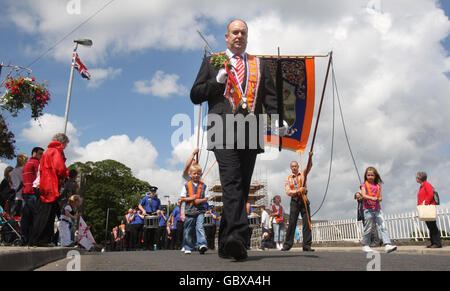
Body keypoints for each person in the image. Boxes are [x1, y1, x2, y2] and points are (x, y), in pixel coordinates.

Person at [190, 19, 286, 260]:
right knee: (231, 181)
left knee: (241, 188)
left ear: (247, 36)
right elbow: (195, 95)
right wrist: (216, 82)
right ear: (226, 36)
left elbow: (271, 96)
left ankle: (226, 243)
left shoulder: (258, 64)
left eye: (243, 32)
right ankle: (238, 239)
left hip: (250, 130)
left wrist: (276, 119)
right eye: (235, 32)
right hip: (221, 128)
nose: (239, 36)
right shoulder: (213, 61)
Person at [30, 133, 70, 247]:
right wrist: (66, 174)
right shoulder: (56, 151)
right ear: (63, 142)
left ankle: (42, 239)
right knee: (46, 214)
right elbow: (60, 168)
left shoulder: (48, 151)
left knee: (45, 213)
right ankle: (40, 240)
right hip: (48, 186)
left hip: (44, 185)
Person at [360, 167, 397, 253]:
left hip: (377, 210)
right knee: (368, 227)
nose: (370, 177)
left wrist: (378, 199)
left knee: (383, 226)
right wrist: (373, 198)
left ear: (375, 176)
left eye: (372, 175)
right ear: (366, 176)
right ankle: (365, 245)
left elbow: (380, 198)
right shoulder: (363, 185)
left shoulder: (378, 186)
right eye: (368, 175)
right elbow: (364, 195)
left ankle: (387, 244)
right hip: (368, 210)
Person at [282, 155, 314, 252]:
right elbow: (288, 191)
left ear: (298, 166)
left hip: (304, 199)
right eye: (292, 166)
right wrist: (297, 191)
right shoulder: (288, 178)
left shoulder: (303, 174)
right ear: (291, 168)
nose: (294, 168)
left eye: (295, 166)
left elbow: (309, 166)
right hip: (295, 201)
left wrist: (310, 157)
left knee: (307, 222)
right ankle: (287, 244)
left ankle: (307, 245)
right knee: (292, 222)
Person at [180, 164, 210, 254]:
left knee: (200, 227)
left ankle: (202, 244)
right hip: (189, 211)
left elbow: (207, 197)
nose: (196, 175)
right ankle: (188, 246)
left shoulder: (204, 186)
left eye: (198, 173)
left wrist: (199, 200)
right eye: (194, 173)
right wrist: (191, 198)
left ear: (200, 174)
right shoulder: (186, 185)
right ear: (190, 174)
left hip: (200, 211)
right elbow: (182, 198)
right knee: (188, 229)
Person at [21, 147, 44, 245]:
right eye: (40, 154)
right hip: (32, 193)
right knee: (36, 217)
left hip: (25, 192)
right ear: (34, 153)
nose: (41, 156)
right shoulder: (36, 163)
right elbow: (40, 177)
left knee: (26, 217)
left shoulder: (27, 163)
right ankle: (34, 240)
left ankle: (24, 238)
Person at [416, 171, 442, 248]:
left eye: (417, 177)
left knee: (432, 225)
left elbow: (430, 194)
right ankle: (433, 242)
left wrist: (425, 203)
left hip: (428, 207)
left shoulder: (427, 185)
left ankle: (437, 243)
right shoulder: (422, 186)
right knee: (430, 226)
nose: (416, 178)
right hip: (425, 207)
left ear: (420, 178)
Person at [10, 153, 28, 217]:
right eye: (26, 159)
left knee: (12, 216)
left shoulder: (14, 170)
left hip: (14, 195)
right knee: (20, 217)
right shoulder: (23, 170)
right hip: (21, 196)